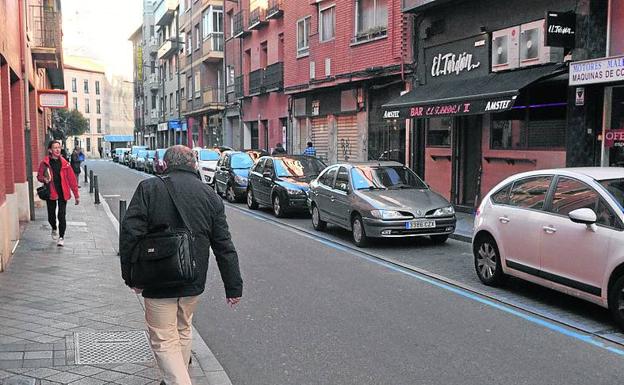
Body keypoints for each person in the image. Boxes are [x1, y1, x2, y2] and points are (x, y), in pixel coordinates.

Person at [120, 145, 243, 385]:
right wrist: (233, 286)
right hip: (193, 278)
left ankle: (179, 381)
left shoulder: (149, 188)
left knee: (163, 338)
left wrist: (131, 277)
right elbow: (223, 245)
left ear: (165, 164)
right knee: (183, 330)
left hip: (156, 277)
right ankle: (178, 377)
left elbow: (129, 235)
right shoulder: (210, 196)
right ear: (193, 165)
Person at [37, 140, 80, 247]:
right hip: (51, 192)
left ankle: (61, 237)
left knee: (61, 215)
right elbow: (39, 176)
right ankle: (54, 227)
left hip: (63, 192)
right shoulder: (45, 163)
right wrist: (44, 179)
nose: (57, 150)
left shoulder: (65, 163)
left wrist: (76, 195)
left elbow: (72, 180)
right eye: (55, 148)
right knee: (51, 216)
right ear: (50, 150)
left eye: (59, 147)